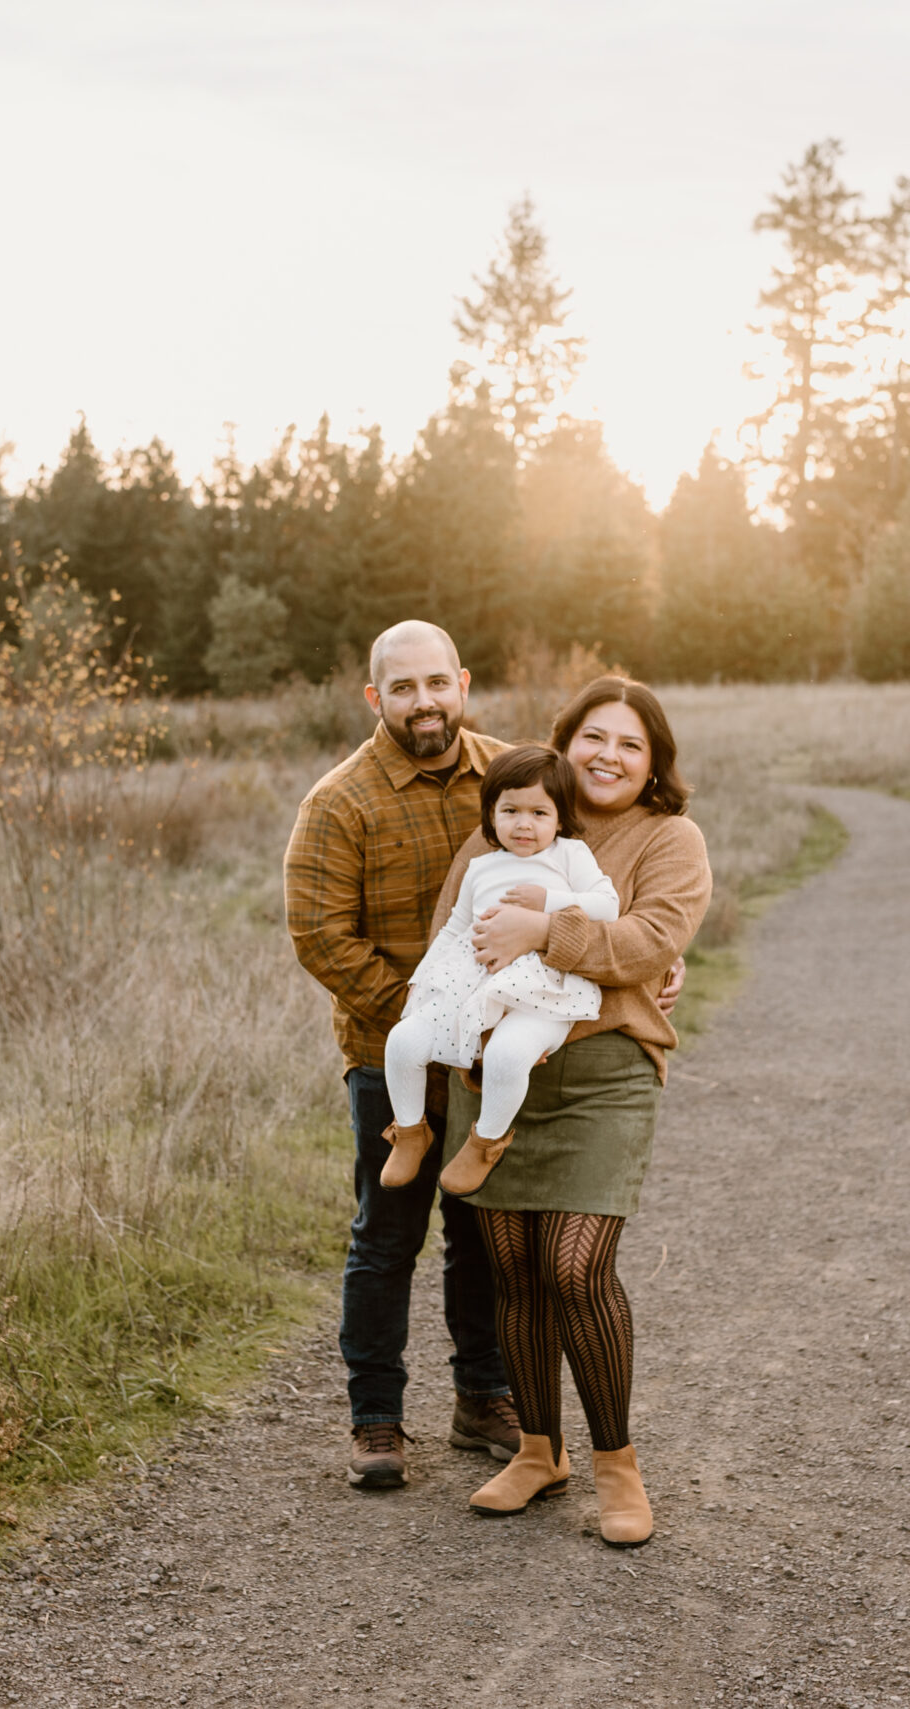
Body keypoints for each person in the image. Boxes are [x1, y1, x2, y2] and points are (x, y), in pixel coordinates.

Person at [430, 676, 711, 1548]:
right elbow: (453, 934)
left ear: (654, 759)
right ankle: (539, 1451)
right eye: (595, 736)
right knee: (513, 1270)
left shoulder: (671, 838)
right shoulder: (510, 823)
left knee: (577, 1269)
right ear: (567, 740)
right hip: (501, 1071)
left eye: (631, 743)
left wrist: (543, 935)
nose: (609, 756)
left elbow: (647, 943)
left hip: (603, 1074)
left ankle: (616, 1465)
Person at [284, 621, 520, 1490]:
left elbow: (583, 865)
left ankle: (481, 1398)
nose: (425, 701)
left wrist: (657, 951)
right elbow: (319, 937)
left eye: (437, 682)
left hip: (488, 1056)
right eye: (404, 687)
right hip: (390, 1060)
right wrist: (427, 1016)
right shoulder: (339, 802)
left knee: (480, 1235)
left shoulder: (509, 776)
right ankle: (376, 1420)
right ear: (376, 698)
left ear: (463, 682)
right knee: (386, 1236)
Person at [378, 745, 619, 1195]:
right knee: (403, 1039)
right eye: (510, 810)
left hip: (544, 988)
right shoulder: (481, 865)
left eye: (538, 813)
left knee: (508, 1055)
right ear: (491, 814)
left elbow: (608, 906)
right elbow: (454, 928)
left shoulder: (570, 855)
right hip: (471, 981)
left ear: (560, 818)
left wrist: (546, 902)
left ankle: (485, 1142)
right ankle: (410, 1131)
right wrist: (422, 989)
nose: (523, 824)